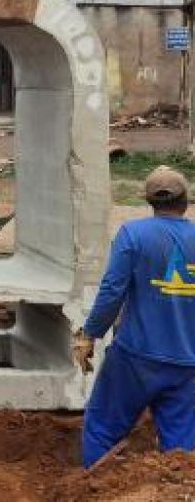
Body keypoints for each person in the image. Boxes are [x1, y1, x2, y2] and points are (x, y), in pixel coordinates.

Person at [76, 165, 195, 468]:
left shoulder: (133, 234)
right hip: (186, 364)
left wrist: (90, 334)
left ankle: (94, 490)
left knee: (102, 428)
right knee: (181, 450)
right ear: (186, 201)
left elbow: (112, 291)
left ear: (150, 201)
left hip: (135, 358)